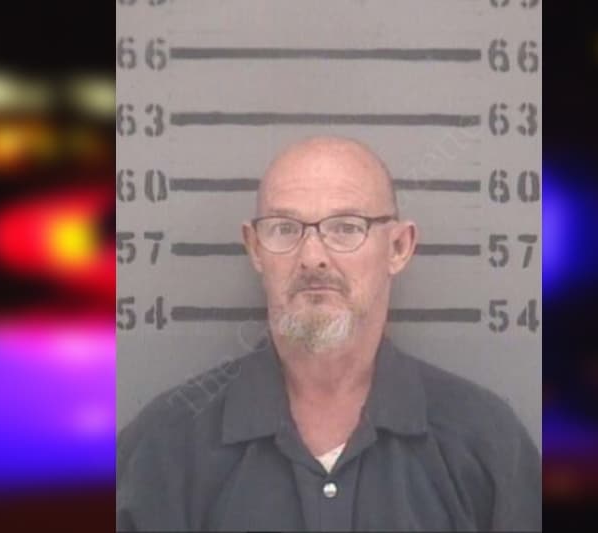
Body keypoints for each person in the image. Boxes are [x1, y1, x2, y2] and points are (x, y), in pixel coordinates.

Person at [117, 136, 541, 531]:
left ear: (398, 247)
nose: (313, 256)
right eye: (285, 228)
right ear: (255, 248)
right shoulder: (161, 451)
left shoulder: (488, 445)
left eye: (346, 227)